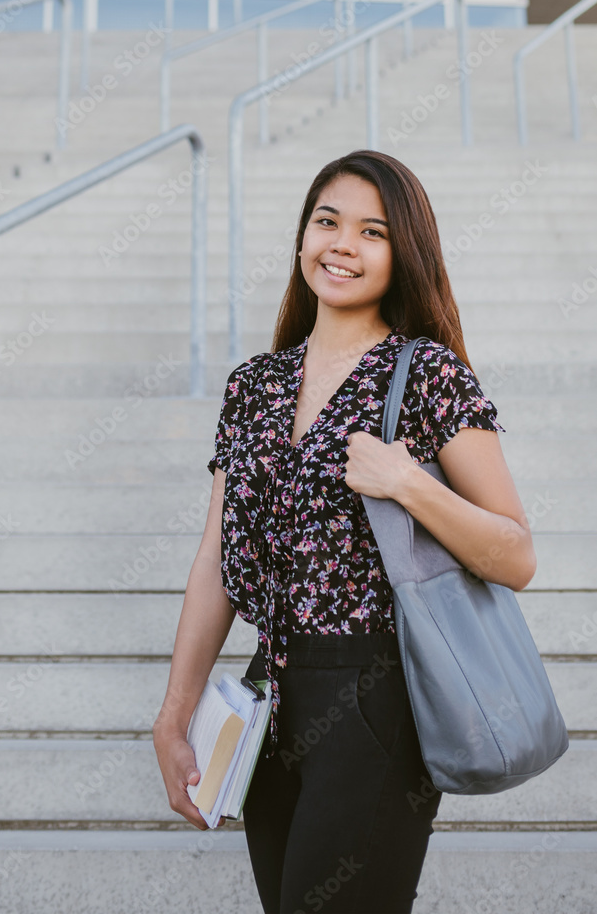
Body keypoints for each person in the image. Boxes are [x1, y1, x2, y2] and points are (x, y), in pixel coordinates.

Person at [152, 149, 537, 914]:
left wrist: (406, 485)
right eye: (327, 222)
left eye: (372, 232)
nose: (342, 245)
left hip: (378, 693)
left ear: (403, 256)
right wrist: (174, 713)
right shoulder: (252, 386)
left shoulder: (424, 374)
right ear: (302, 236)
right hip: (269, 699)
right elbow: (213, 559)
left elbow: (515, 553)